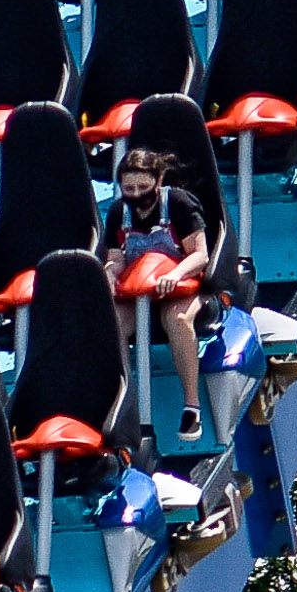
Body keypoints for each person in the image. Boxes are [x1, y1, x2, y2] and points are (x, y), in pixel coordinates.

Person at [101, 147, 213, 441]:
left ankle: (192, 406)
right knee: (111, 322)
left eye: (143, 187)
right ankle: (122, 401)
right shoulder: (118, 212)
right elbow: (117, 256)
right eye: (129, 188)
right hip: (138, 291)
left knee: (177, 319)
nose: (136, 195)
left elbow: (200, 255)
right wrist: (111, 271)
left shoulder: (177, 203)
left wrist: (174, 275)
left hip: (180, 286)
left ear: (158, 180)